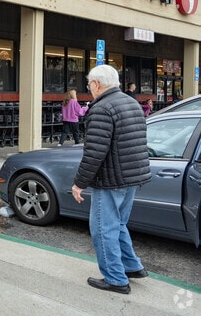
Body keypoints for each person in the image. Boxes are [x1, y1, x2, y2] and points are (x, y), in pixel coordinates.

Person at [71, 65, 151, 294]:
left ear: (96, 84)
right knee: (119, 224)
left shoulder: (101, 108)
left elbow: (94, 152)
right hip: (132, 177)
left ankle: (116, 279)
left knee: (103, 229)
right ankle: (131, 266)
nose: (89, 89)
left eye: (89, 85)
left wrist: (79, 183)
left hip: (110, 179)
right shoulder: (131, 103)